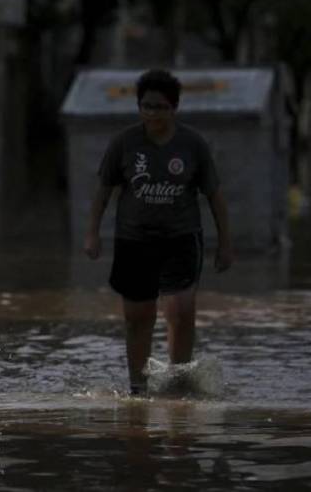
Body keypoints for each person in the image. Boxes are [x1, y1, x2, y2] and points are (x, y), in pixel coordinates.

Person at [84, 69, 233, 396]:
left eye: (160, 107)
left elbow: (215, 197)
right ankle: (139, 387)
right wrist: (92, 234)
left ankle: (178, 382)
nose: (152, 113)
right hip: (134, 240)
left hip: (181, 238)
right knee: (138, 315)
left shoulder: (192, 145)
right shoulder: (124, 143)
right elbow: (103, 192)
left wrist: (225, 243)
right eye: (146, 106)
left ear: (174, 108)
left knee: (180, 310)